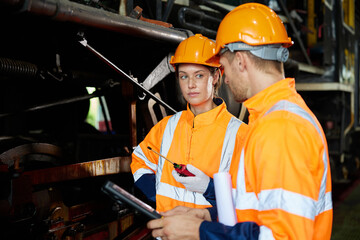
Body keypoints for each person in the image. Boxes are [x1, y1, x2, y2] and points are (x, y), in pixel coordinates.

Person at [147, 3, 333, 239]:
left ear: (241, 62)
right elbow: (259, 209)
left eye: (223, 68)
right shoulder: (271, 119)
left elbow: (284, 236)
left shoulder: (281, 128)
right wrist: (210, 216)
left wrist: (200, 232)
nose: (224, 81)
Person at [130, 34, 248, 212]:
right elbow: (139, 160)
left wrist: (210, 188)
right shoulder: (166, 127)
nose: (191, 85)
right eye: (184, 77)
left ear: (215, 76)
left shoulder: (240, 134)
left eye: (199, 75)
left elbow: (247, 201)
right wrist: (157, 195)